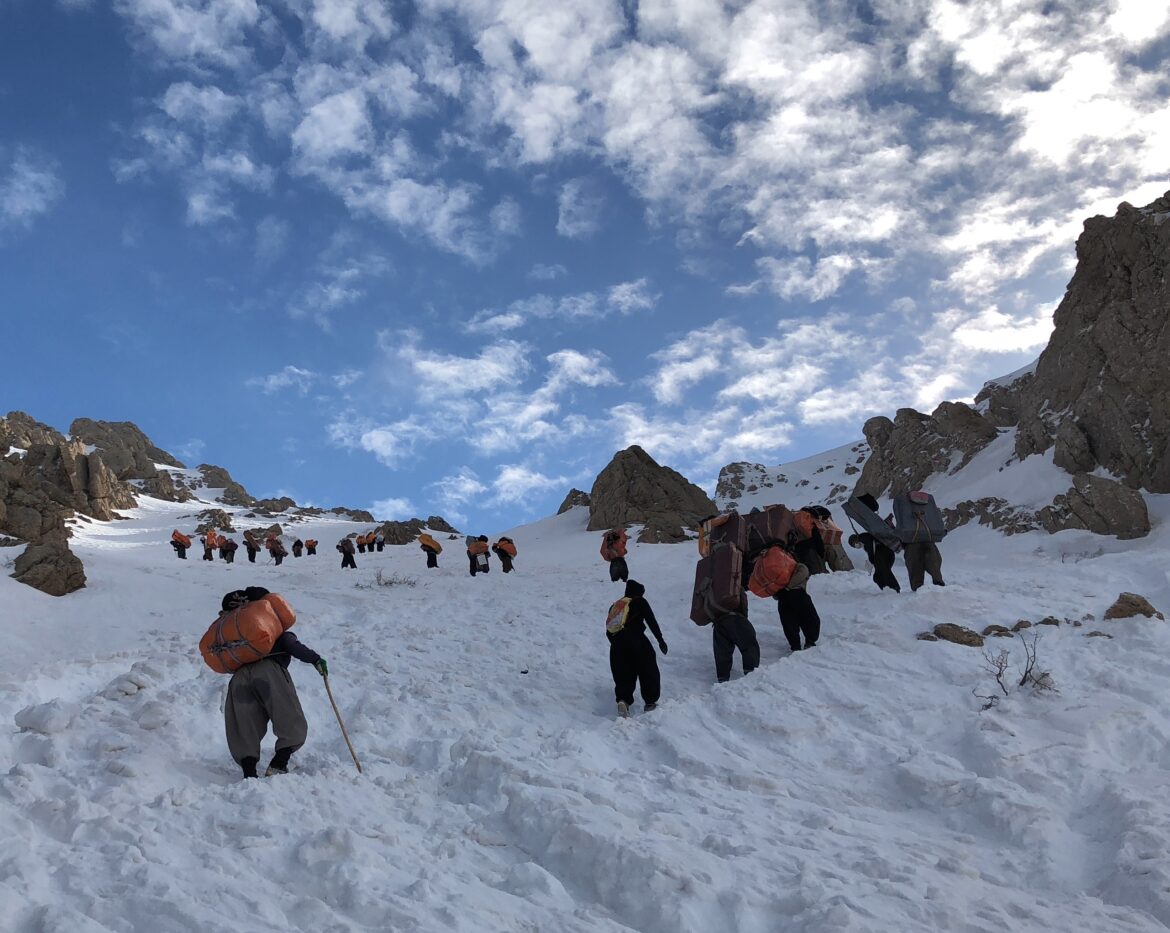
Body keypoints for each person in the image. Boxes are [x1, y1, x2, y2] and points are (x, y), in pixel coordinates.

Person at [218, 587, 328, 779]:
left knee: (245, 723)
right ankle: (279, 763)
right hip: (270, 672)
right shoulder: (272, 627)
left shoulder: (235, 632)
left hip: (239, 677)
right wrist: (316, 660)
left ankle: (249, 772)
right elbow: (293, 646)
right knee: (288, 716)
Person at [606, 579, 667, 716]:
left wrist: (617, 644)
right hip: (637, 640)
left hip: (617, 644)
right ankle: (650, 702)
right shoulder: (639, 602)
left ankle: (623, 700)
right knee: (648, 668)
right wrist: (660, 640)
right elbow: (651, 621)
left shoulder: (616, 606)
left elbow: (609, 629)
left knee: (624, 673)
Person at [849, 493, 901, 593]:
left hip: (883, 553)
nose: (856, 546)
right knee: (878, 576)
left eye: (854, 543)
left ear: (856, 539)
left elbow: (870, 545)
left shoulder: (863, 537)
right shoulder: (867, 536)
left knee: (883, 572)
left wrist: (871, 560)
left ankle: (894, 590)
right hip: (886, 553)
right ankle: (888, 591)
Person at [773, 562, 821, 652]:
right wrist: (788, 588)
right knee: (810, 619)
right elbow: (803, 572)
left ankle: (795, 646)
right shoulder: (799, 566)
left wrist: (780, 593)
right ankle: (810, 641)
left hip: (783, 599)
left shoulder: (778, 569)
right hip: (798, 595)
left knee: (789, 623)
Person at [712, 611, 760, 684]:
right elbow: (743, 602)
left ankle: (722, 680)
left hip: (719, 622)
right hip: (737, 617)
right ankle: (751, 676)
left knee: (722, 652)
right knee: (749, 646)